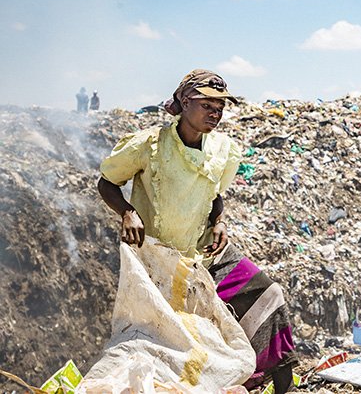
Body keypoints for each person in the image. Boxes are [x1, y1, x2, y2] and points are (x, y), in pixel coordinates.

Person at [97, 69, 297, 393]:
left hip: (205, 253)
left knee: (268, 296)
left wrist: (219, 222)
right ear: (185, 102)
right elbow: (107, 183)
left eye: (220, 108)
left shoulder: (222, 149)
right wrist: (128, 213)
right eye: (207, 105)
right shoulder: (149, 145)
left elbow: (214, 195)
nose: (215, 114)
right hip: (159, 260)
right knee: (169, 340)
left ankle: (285, 387)